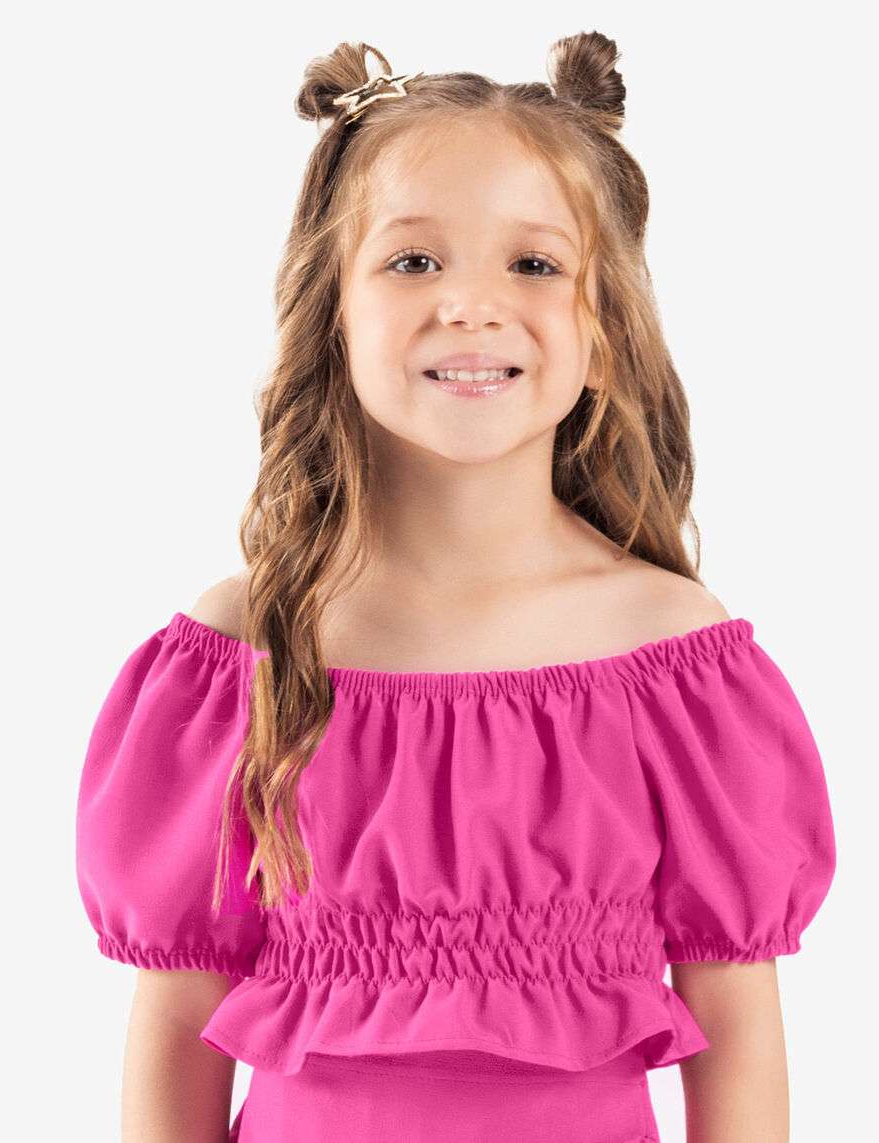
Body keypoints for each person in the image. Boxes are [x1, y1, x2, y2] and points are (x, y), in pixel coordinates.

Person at [75, 32, 837, 1143]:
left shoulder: (673, 654)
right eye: (414, 261)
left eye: (533, 264)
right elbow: (179, 1008)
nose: (472, 304)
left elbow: (738, 1016)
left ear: (605, 329)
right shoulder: (241, 650)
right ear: (331, 313)